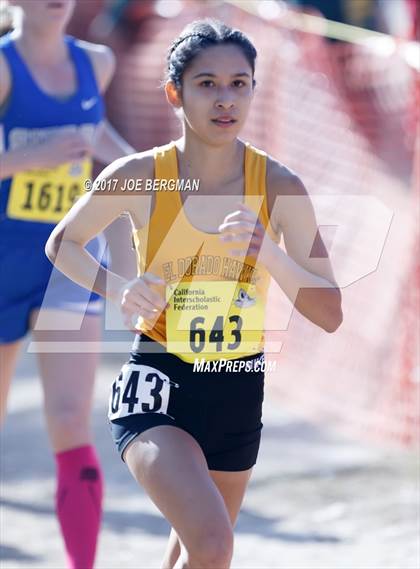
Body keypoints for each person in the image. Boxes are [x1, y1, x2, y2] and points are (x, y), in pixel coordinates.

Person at [46, 18, 343, 569]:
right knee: (213, 544)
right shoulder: (140, 175)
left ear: (255, 89)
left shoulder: (279, 185)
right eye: (207, 83)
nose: (225, 98)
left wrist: (270, 254)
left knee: (197, 555)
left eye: (240, 83)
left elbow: (330, 312)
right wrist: (120, 289)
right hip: (158, 380)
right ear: (174, 93)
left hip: (237, 386)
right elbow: (63, 243)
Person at [0, 1, 134, 568]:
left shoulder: (97, 63)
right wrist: (33, 153)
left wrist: (143, 169)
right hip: (5, 262)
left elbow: (92, 132)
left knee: (72, 415)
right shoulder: (4, 67)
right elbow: (60, 143)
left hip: (68, 263)